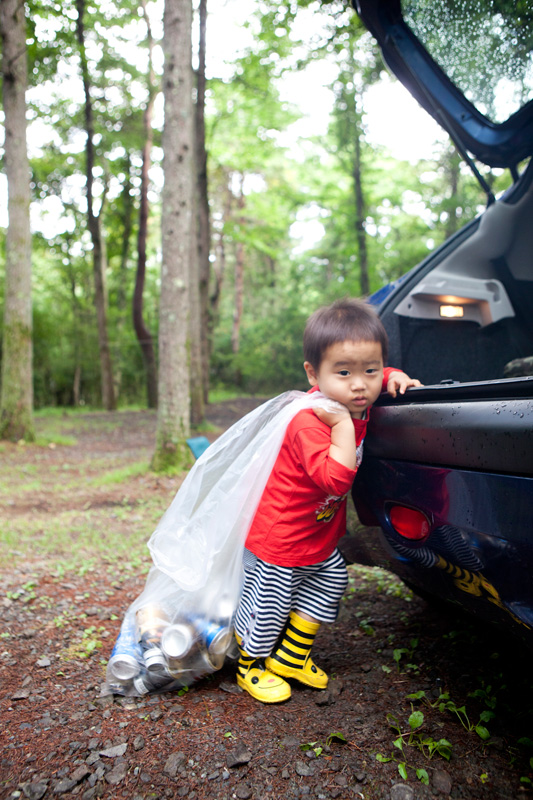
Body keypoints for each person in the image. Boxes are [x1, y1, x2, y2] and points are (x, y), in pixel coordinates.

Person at [233, 298, 422, 703]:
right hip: (279, 539)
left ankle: (290, 657)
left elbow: (372, 372)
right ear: (313, 374)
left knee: (331, 579)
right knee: (269, 606)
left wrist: (394, 376)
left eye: (370, 370)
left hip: (316, 534)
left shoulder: (353, 395)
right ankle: (249, 665)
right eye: (344, 372)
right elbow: (334, 481)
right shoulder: (312, 420)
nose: (360, 385)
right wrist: (342, 427)